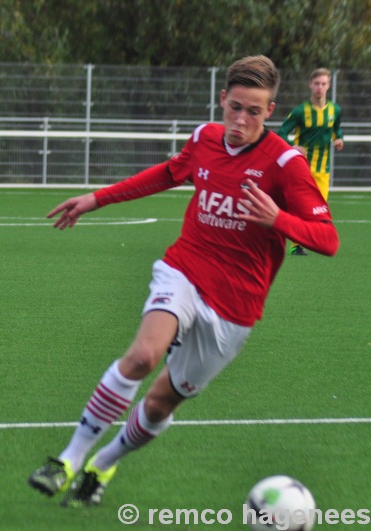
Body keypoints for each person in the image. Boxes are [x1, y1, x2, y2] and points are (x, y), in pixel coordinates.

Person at [27, 55, 339, 509]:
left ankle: (104, 463)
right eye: (234, 107)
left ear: (270, 110)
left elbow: (328, 238)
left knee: (158, 405)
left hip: (235, 307)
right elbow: (167, 174)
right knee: (142, 356)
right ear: (222, 100)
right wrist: (96, 198)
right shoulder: (204, 138)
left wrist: (279, 219)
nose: (240, 119)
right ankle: (68, 460)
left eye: (253, 111)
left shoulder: (286, 165)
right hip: (185, 269)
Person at [278, 67, 344, 255]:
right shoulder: (300, 111)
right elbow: (282, 133)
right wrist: (293, 146)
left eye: (323, 84)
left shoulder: (335, 110)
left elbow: (336, 129)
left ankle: (311, 240)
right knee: (300, 206)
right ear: (310, 85)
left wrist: (339, 139)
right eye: (316, 84)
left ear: (328, 86)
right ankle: (295, 245)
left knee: (319, 208)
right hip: (302, 167)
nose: (319, 88)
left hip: (323, 168)